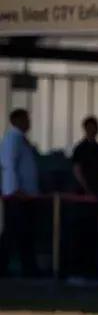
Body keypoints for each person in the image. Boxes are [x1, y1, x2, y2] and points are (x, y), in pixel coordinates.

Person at [1, 109, 41, 277]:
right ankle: (6, 266)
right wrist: (14, 189)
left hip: (26, 195)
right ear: (16, 120)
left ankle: (28, 267)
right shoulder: (13, 138)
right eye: (25, 119)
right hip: (17, 195)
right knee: (14, 232)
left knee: (25, 233)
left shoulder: (21, 139)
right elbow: (9, 164)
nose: (28, 122)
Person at [72, 116, 98, 196]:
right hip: (82, 190)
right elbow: (77, 170)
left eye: (93, 128)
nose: (92, 131)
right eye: (90, 128)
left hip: (97, 188)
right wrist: (85, 186)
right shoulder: (80, 149)